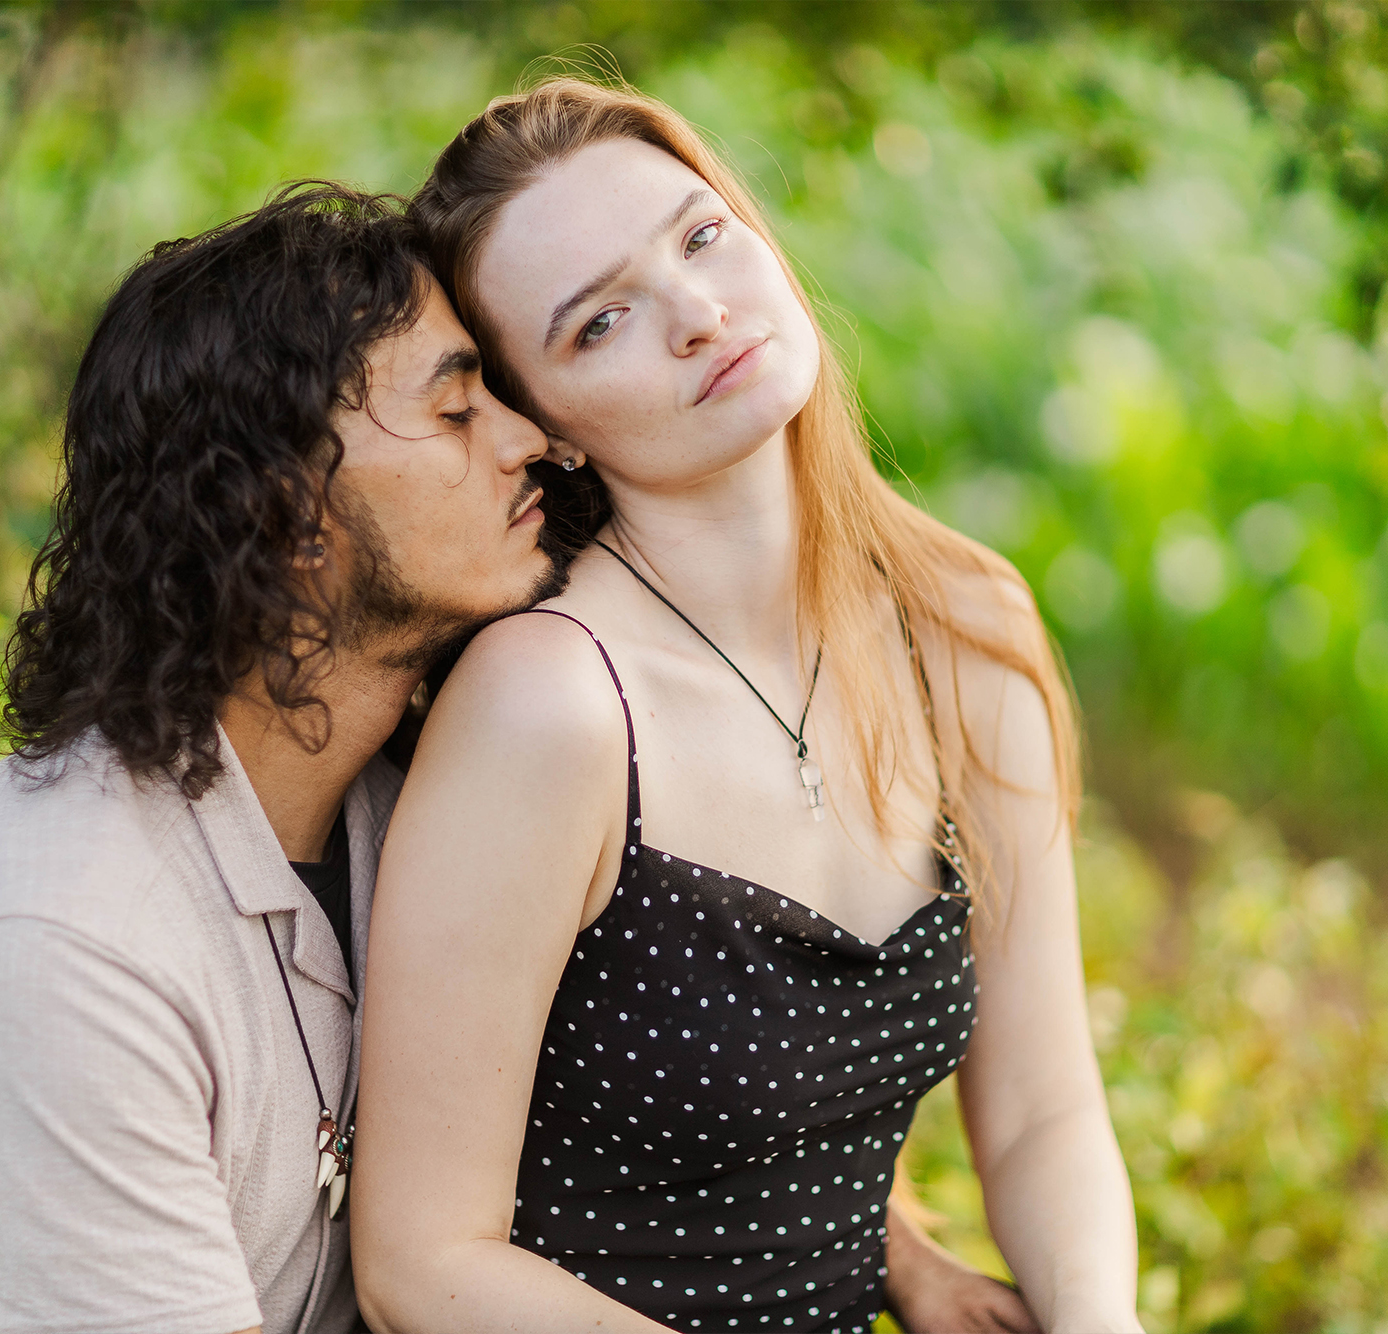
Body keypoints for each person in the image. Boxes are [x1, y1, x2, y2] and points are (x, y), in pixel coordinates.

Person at [351, 80, 1141, 1334]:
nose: (694, 313)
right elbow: (420, 1263)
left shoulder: (961, 628)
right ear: (544, 425)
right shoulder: (550, 706)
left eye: (699, 236)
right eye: (599, 321)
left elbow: (1045, 1107)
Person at [0, 182, 562, 1334]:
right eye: (453, 413)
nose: (526, 438)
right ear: (288, 512)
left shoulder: (418, 801)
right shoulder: (66, 939)